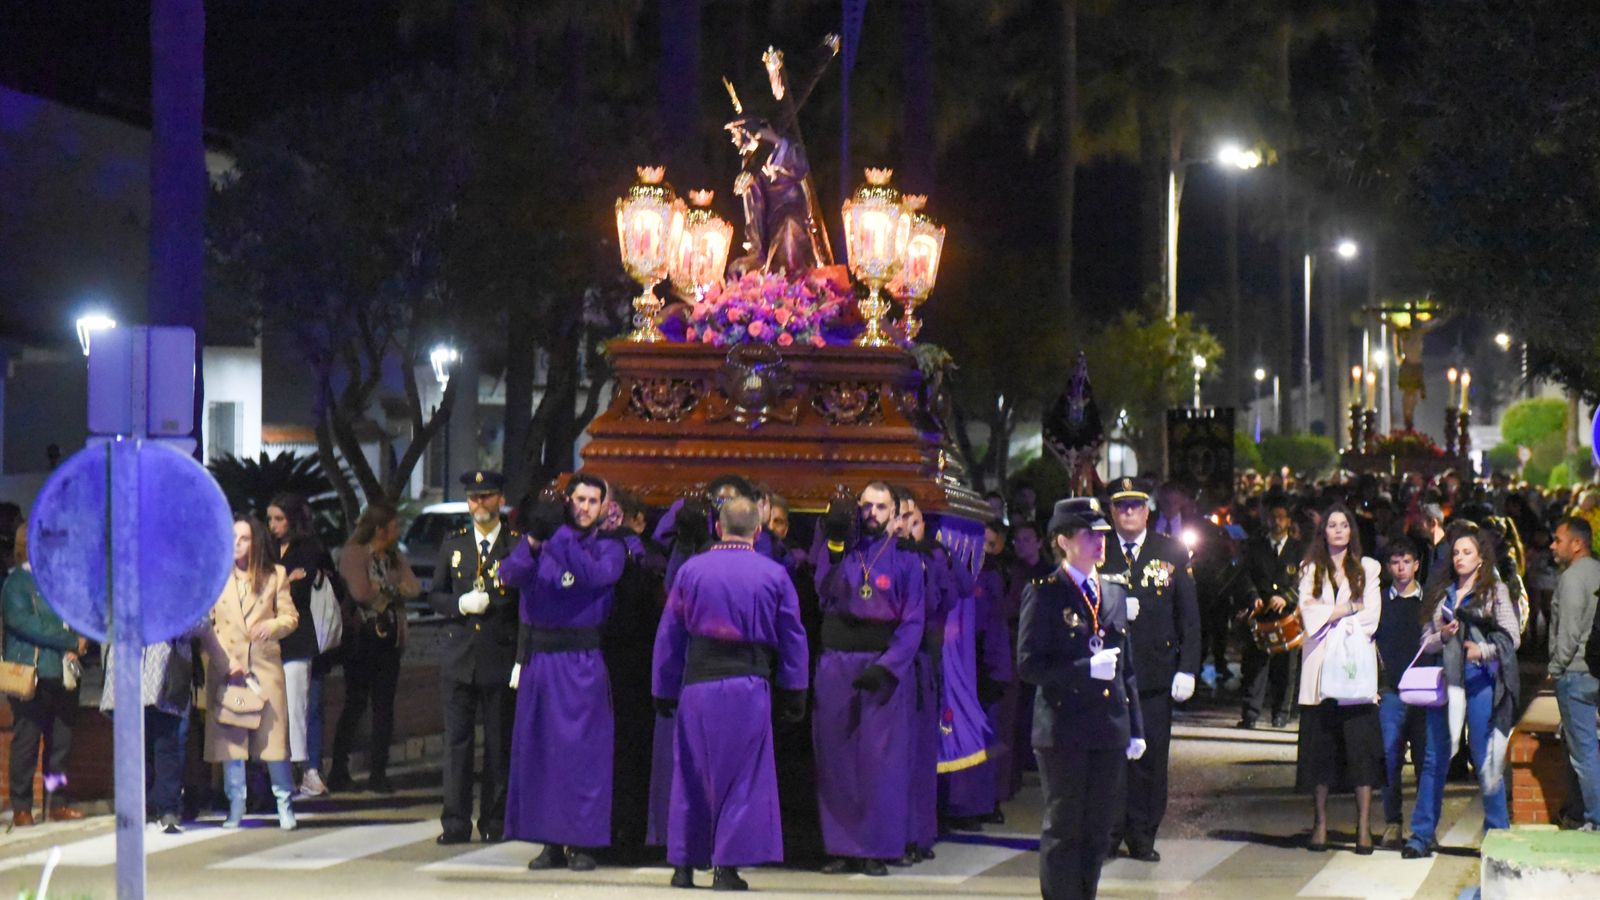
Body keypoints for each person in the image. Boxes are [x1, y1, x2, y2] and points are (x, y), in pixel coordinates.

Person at [650, 495, 809, 890]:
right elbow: (793, 637)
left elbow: (670, 633)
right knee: (742, 777)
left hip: (697, 685)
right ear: (758, 530)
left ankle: (683, 866)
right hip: (747, 686)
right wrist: (795, 689)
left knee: (690, 772)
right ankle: (726, 868)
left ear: (718, 528)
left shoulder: (691, 570)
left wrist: (663, 687)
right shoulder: (773, 574)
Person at [499, 474, 627, 872]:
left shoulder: (609, 546)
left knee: (583, 756)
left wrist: (557, 538)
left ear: (603, 507)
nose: (585, 507)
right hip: (541, 659)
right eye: (579, 499)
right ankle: (549, 841)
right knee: (541, 754)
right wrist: (533, 541)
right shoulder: (543, 539)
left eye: (593, 501)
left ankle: (583, 842)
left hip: (581, 659)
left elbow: (594, 576)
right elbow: (509, 575)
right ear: (567, 501)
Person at [1019, 498, 1144, 900]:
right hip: (1064, 727)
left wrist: (1135, 727)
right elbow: (1029, 664)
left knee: (1097, 829)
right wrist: (1083, 670)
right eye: (1089, 534)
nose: (1099, 541)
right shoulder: (1046, 593)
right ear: (1064, 541)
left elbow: (1127, 668)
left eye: (1102, 533)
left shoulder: (1113, 592)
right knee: (1064, 827)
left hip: (1107, 726)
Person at [811, 481, 926, 877]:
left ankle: (876, 848)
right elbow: (822, 589)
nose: (872, 514)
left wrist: (889, 666)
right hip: (837, 663)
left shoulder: (906, 558)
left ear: (894, 513)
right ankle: (842, 847)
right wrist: (834, 545)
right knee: (836, 759)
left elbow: (913, 621)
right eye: (867, 506)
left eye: (881, 507)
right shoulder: (839, 546)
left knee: (880, 763)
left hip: (881, 666)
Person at [1403, 523, 1521, 857]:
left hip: (1483, 680)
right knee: (1434, 758)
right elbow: (1426, 641)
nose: (1460, 558)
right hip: (1447, 682)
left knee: (1486, 758)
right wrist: (1441, 635)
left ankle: (1497, 834)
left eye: (1467, 552)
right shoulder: (1443, 593)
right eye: (1456, 552)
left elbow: (1512, 638)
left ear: (1481, 557)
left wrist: (1482, 651)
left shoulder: (1495, 591)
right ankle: (1422, 834)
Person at [1100, 477, 1199, 862]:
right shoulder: (1097, 548)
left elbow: (1188, 616)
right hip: (1107, 672)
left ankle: (1142, 834)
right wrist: (1112, 609)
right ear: (1112, 511)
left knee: (1151, 760)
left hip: (1155, 672)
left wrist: (1187, 668)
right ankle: (1108, 833)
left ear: (1147, 511)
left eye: (1135, 505)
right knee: (1109, 757)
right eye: (1121, 506)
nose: (1128, 512)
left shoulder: (1169, 550)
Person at [428, 470, 520, 845]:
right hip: (459, 656)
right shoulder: (455, 544)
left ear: (500, 499)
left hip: (498, 654)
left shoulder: (514, 545)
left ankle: (494, 820)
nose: (479, 504)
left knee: (498, 744)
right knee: (457, 744)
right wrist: (460, 604)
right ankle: (455, 821)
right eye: (473, 497)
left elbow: (522, 601)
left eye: (486, 496)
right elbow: (435, 595)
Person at [200, 514, 301, 830]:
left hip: (263, 670)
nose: (236, 544)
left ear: (255, 543)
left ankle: (284, 803)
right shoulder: (217, 577)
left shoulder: (275, 575)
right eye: (232, 537)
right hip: (228, 669)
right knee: (232, 744)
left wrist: (272, 626)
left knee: (274, 743)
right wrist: (224, 662)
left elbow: (291, 617)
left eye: (243, 538)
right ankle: (236, 806)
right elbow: (207, 625)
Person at [1294, 504, 1384, 854]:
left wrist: (1330, 617)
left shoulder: (1368, 568)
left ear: (1351, 531)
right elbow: (1309, 615)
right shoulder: (1310, 569)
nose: (1338, 530)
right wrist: (1347, 609)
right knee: (1320, 753)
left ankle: (1363, 826)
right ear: (1324, 531)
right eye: (1332, 525)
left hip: (1353, 669)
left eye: (1344, 525)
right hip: (1318, 670)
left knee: (1361, 752)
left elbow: (1371, 618)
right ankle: (1320, 823)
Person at [329, 501, 420, 794]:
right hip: (361, 638)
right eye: (394, 525)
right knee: (355, 703)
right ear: (380, 529)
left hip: (390, 638)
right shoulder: (355, 553)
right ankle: (339, 770)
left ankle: (378, 773)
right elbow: (361, 592)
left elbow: (414, 587)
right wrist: (390, 590)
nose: (398, 530)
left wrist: (384, 588)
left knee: (384, 707)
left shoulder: (393, 556)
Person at [4, 520, 88, 826]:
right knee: (27, 741)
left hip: (63, 673)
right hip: (33, 673)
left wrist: (81, 640)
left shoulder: (60, 580)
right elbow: (25, 624)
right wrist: (69, 641)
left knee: (60, 745)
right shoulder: (16, 583)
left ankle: (56, 802)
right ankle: (22, 806)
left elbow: (79, 614)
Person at [266, 493, 337, 798]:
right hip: (272, 638)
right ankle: (285, 772)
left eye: (279, 519)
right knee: (277, 708)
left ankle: (310, 769)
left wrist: (282, 583)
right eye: (270, 519)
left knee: (307, 705)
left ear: (293, 520)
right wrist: (286, 580)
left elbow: (300, 590)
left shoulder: (309, 548)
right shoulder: (268, 548)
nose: (273, 525)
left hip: (303, 637)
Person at [101, 632, 199, 833]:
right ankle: (136, 808)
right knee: (133, 750)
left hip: (165, 672)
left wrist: (173, 623)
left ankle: (167, 809)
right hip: (128, 669)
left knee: (167, 745)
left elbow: (199, 622)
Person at [1374, 537, 1429, 849]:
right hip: (1391, 691)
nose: (1401, 568)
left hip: (1424, 691)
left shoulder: (1429, 601)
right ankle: (1392, 822)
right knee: (1390, 757)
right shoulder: (1380, 601)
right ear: (1388, 566)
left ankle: (1423, 827)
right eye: (1395, 562)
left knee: (1424, 759)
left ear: (1416, 564)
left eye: (1406, 561)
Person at [1547, 516, 1600, 831]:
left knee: (1583, 752)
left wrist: (1554, 670)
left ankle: (1594, 818)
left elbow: (1567, 633)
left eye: (1558, 540)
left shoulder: (1571, 579)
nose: (1553, 546)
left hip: (1576, 673)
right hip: (1596, 671)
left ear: (1577, 543)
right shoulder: (1597, 572)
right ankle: (1580, 812)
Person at [1240, 496, 1304, 729]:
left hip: (1287, 614)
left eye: (1281, 518)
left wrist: (1286, 597)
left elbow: (1304, 579)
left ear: (1288, 521)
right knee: (1255, 665)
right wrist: (1253, 596)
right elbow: (1245, 574)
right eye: (1273, 517)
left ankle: (1281, 713)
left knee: (1286, 668)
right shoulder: (1255, 546)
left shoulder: (1298, 549)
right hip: (1261, 612)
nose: (1277, 522)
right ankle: (1250, 713)